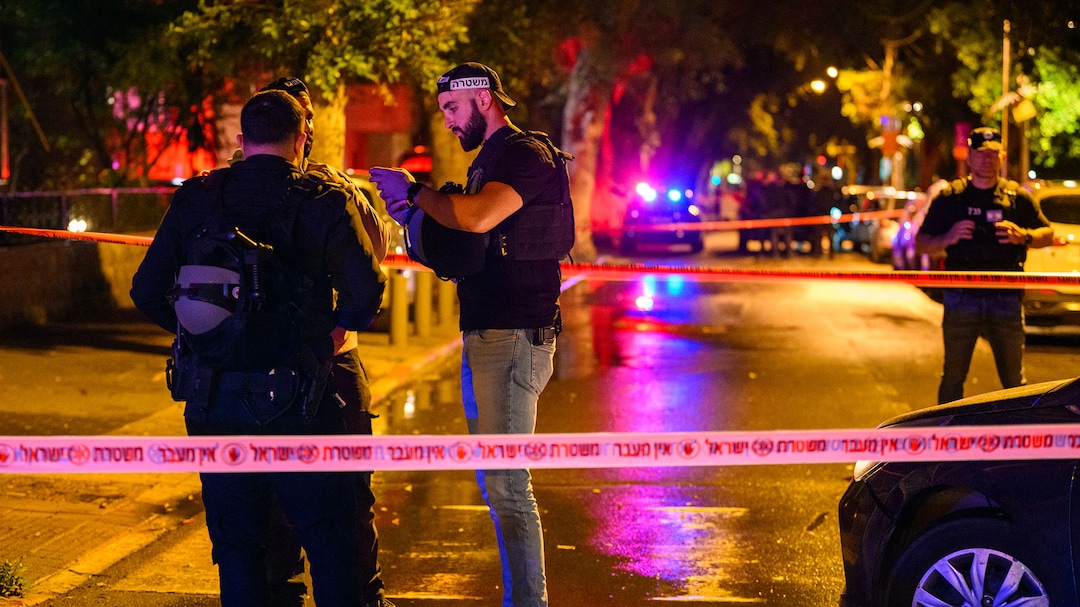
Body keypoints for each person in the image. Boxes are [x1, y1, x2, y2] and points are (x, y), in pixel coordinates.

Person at [130, 89, 386, 607]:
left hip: (214, 399)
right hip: (302, 399)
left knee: (239, 546)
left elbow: (146, 288)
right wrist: (333, 334)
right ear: (301, 141)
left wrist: (202, 338)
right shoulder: (324, 200)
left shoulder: (198, 197)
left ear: (242, 141)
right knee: (329, 540)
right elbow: (367, 289)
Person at [369, 62, 572, 607]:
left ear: (482, 99)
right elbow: (460, 243)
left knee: (508, 487)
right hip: (488, 334)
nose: (450, 123)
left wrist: (415, 194)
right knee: (498, 484)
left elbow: (480, 218)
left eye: (453, 110)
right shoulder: (490, 160)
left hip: (511, 337)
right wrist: (411, 218)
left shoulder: (525, 155)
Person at [257, 76, 394, 607]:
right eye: (300, 116)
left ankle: (362, 593)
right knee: (273, 503)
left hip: (334, 361)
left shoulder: (335, 188)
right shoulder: (236, 189)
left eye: (310, 114)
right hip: (269, 366)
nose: (307, 126)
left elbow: (373, 256)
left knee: (349, 497)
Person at [916, 126, 1053, 404]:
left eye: (993, 154)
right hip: (961, 298)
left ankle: (1019, 440)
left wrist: (1023, 236)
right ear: (969, 157)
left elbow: (1047, 234)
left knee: (1014, 382)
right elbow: (921, 243)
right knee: (953, 377)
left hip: (1006, 298)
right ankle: (947, 439)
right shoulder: (952, 197)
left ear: (1001, 157)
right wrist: (949, 236)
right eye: (981, 153)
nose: (987, 159)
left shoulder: (1016, 197)